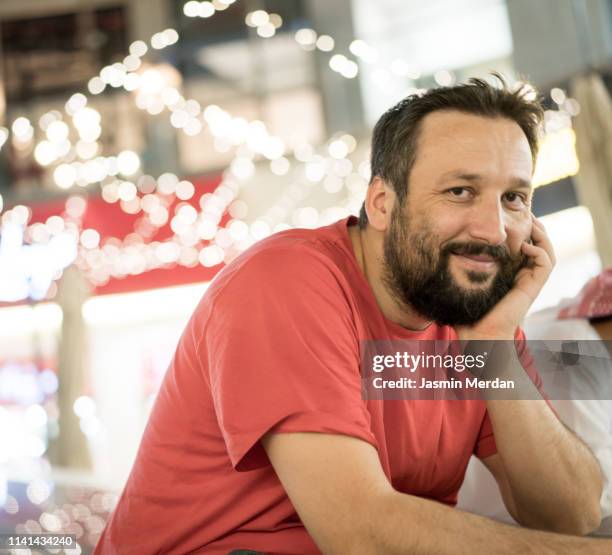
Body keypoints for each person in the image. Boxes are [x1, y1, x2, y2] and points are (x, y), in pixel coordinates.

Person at [96, 77, 611, 554]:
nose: (493, 229)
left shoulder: (477, 321)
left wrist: (495, 348)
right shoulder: (285, 281)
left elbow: (571, 513)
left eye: (514, 198)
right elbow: (360, 531)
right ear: (383, 203)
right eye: (461, 191)